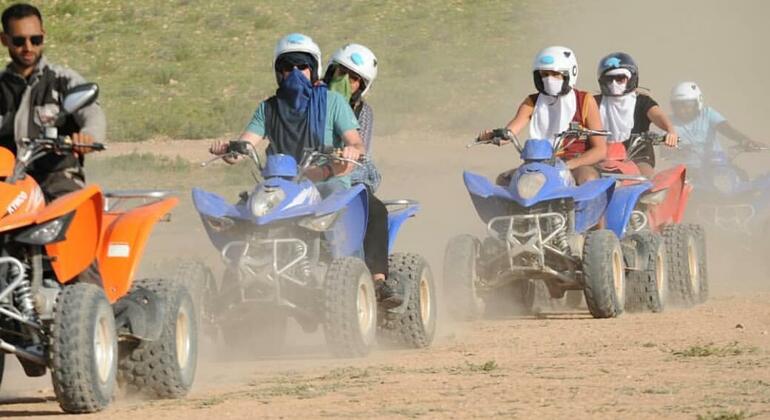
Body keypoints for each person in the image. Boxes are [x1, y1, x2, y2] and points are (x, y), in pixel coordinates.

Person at [210, 34, 402, 306]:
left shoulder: (333, 103)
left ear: (313, 69)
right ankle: (238, 285)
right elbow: (246, 143)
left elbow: (356, 142)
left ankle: (356, 275)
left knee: (345, 203)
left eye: (302, 66)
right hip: (282, 185)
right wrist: (230, 151)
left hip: (327, 181)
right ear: (279, 72)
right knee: (244, 217)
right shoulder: (268, 108)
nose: (296, 73)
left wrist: (351, 150)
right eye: (289, 67)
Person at [0, 3, 106, 202]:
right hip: (7, 185)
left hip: (56, 181)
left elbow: (92, 114)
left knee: (69, 219)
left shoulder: (63, 80)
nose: (28, 47)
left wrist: (88, 137)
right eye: (19, 40)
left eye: (35, 39)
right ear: (4, 40)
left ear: (43, 35)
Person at [479, 46, 606, 186]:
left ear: (569, 74)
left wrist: (569, 165)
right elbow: (510, 133)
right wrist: (492, 136)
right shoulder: (532, 102)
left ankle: (583, 208)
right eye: (544, 75)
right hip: (538, 164)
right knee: (504, 180)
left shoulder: (585, 100)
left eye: (555, 74)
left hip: (574, 163)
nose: (549, 79)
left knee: (588, 178)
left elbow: (600, 150)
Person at [322, 43, 392, 297]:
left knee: (375, 211)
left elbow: (359, 147)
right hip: (308, 174)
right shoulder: (312, 99)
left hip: (349, 175)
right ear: (331, 71)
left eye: (354, 79)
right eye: (341, 73)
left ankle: (377, 279)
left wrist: (347, 153)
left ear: (362, 86)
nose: (346, 81)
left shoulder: (363, 112)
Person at [594, 52, 678, 177]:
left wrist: (670, 131)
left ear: (631, 78)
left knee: (646, 177)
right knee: (584, 178)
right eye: (609, 79)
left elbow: (658, 115)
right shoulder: (593, 102)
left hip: (638, 154)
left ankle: (648, 195)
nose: (614, 83)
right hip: (601, 154)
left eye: (620, 78)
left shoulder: (642, 101)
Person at [669, 81, 760, 156]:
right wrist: (679, 152)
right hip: (684, 172)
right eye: (678, 105)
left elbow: (727, 130)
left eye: (687, 105)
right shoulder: (667, 123)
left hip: (716, 165)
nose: (682, 110)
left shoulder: (708, 114)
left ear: (698, 102)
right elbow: (664, 151)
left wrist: (745, 140)